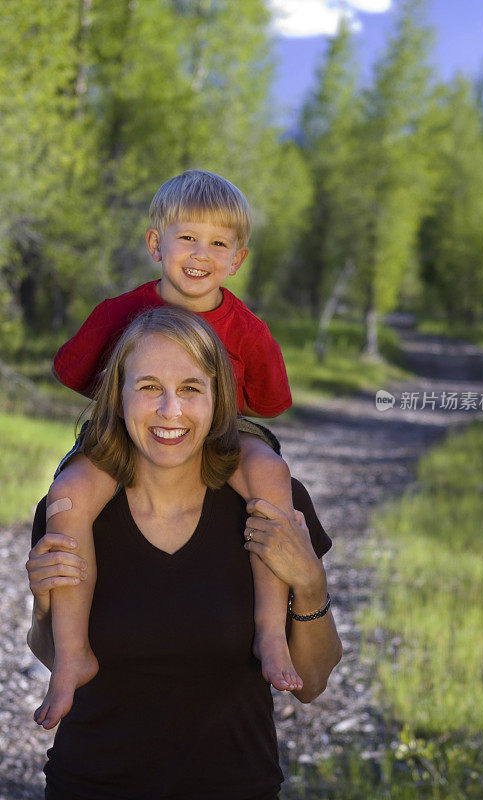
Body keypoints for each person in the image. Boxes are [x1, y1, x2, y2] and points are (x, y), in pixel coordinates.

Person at [26, 307, 343, 800]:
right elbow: (51, 652)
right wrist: (45, 607)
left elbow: (312, 683)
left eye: (191, 388)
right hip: (91, 784)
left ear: (217, 401)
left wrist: (311, 586)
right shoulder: (74, 511)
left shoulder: (271, 506)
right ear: (120, 395)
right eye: (149, 386)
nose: (170, 410)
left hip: (237, 787)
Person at [37, 170, 302, 731]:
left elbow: (270, 402)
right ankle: (71, 655)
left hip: (221, 433)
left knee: (273, 474)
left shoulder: (247, 329)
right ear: (156, 243)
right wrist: (133, 414)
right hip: (127, 435)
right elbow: (74, 369)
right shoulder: (119, 312)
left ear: (238, 258)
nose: (200, 253)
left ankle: (271, 633)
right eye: (187, 237)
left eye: (218, 243)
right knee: (66, 497)